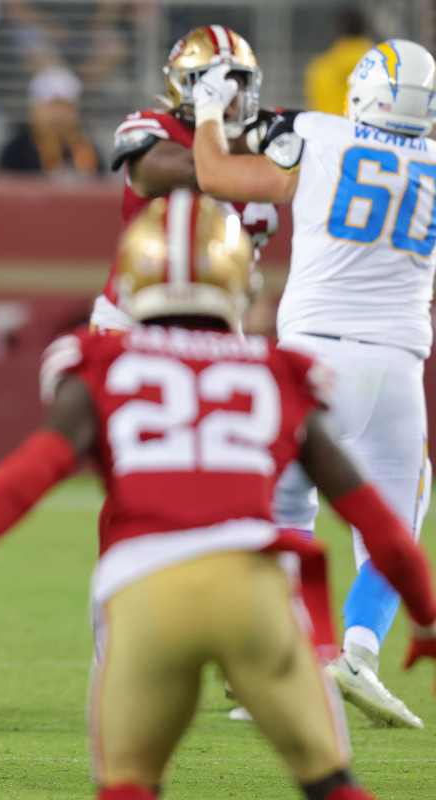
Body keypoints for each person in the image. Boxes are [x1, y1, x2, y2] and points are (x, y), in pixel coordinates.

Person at [0, 190, 436, 800]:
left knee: (129, 785)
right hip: (255, 593)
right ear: (238, 276)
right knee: (332, 783)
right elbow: (381, 525)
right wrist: (424, 621)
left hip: (149, 594)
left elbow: (23, 481)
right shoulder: (278, 369)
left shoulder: (102, 359)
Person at [191, 39, 436, 729]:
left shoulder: (319, 136)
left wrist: (211, 105)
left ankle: (268, 657)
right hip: (398, 369)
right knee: (393, 535)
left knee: (280, 513)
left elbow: (215, 175)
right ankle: (355, 652)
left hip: (312, 360)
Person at [94, 25, 278, 334]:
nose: (229, 97)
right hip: (137, 317)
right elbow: (201, 171)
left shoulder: (267, 138)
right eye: (215, 86)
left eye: (237, 82)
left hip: (221, 318)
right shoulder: (155, 127)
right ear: (183, 86)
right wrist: (215, 118)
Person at [0, 64, 100, 177]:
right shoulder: (16, 151)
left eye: (67, 106)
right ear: (35, 107)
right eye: (53, 106)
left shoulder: (87, 148)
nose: (60, 114)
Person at [304, 8, 374, 116]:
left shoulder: (319, 68)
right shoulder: (379, 64)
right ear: (365, 29)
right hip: (368, 131)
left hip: (329, 130)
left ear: (337, 31)